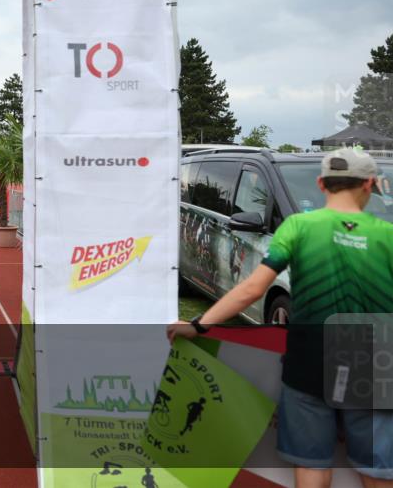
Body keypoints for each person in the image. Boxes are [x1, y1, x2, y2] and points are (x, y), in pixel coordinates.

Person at [167, 148, 393, 488]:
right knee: (376, 470)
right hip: (372, 355)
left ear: (321, 184)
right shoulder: (387, 234)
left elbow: (252, 290)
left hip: (308, 354)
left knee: (312, 466)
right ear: (371, 185)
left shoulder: (298, 227)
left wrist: (198, 324)